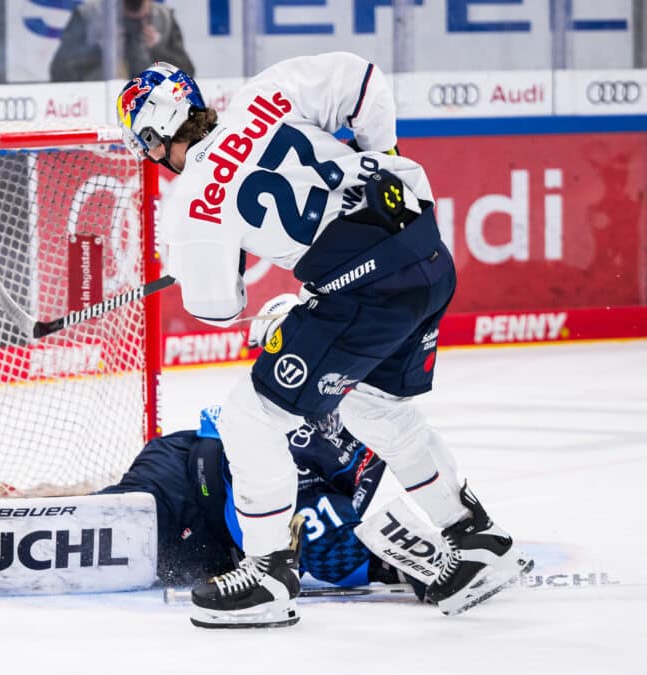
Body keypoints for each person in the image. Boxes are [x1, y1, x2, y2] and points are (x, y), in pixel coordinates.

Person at [115, 55, 529, 627]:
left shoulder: (192, 204)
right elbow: (362, 81)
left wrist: (219, 264)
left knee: (249, 417)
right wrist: (381, 156)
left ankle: (268, 575)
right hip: (427, 256)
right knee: (376, 409)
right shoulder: (262, 96)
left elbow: (217, 310)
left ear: (156, 136)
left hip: (367, 293)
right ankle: (476, 536)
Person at [0, 397, 424, 603]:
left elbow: (368, 528)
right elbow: (228, 438)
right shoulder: (276, 402)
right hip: (184, 482)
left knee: (331, 538)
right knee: (80, 539)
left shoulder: (352, 439)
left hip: (215, 551)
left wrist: (425, 565)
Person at [49, 0, 194, 82]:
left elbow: (188, 73)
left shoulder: (163, 18)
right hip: (100, 106)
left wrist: (158, 50)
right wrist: (98, 51)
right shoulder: (89, 16)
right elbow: (59, 71)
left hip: (149, 109)